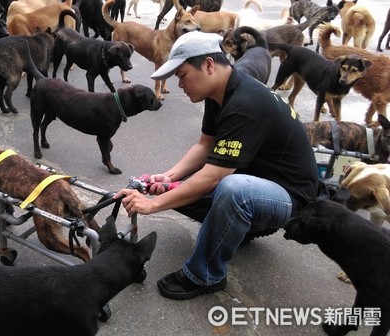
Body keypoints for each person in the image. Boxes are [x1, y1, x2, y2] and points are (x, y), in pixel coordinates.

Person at [113, 31, 319, 300]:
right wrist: (166, 177)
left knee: (232, 190)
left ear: (209, 64)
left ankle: (205, 274)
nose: (180, 85)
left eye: (183, 75)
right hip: (256, 177)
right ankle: (238, 228)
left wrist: (151, 206)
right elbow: (205, 146)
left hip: (289, 196)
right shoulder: (218, 93)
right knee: (175, 189)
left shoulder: (246, 102)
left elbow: (213, 177)